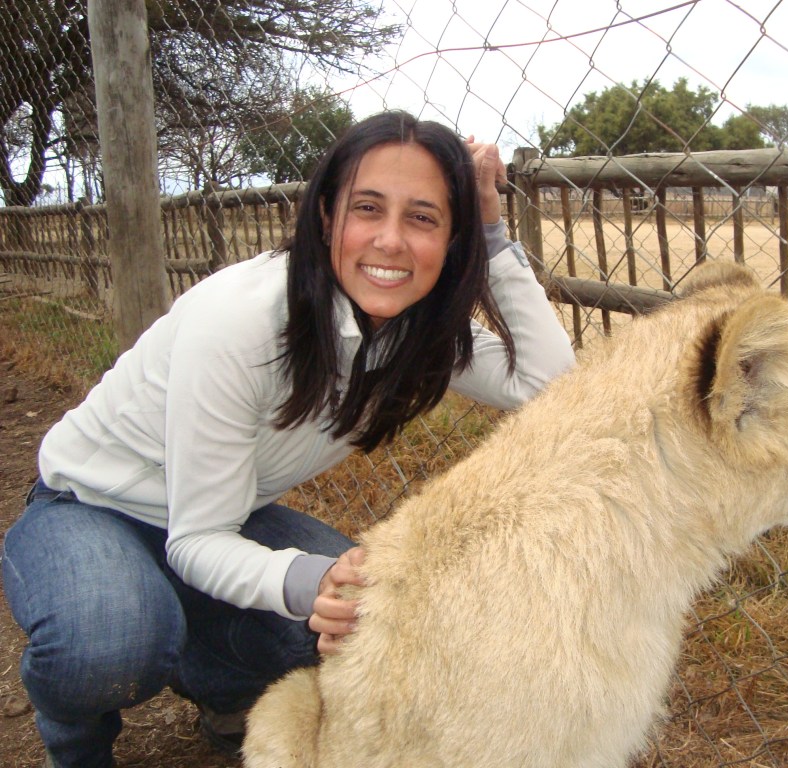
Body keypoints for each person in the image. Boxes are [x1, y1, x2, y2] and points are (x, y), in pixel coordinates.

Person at [1, 110, 575, 768]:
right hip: (91, 505)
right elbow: (196, 539)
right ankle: (76, 739)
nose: (390, 240)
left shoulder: (418, 330)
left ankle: (216, 682)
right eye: (367, 208)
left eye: (423, 217)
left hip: (226, 514)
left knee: (372, 620)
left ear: (452, 239)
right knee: (108, 644)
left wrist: (492, 230)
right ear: (327, 217)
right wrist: (314, 578)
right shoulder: (244, 320)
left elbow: (548, 382)